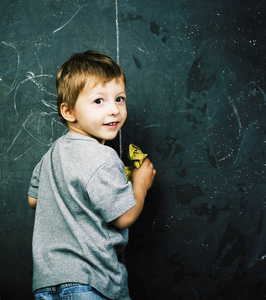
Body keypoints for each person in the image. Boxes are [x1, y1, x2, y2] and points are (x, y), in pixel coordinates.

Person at [28, 50, 156, 300]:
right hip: (91, 282)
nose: (114, 110)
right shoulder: (103, 157)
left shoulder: (52, 154)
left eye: (119, 99)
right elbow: (124, 217)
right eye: (99, 101)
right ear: (68, 112)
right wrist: (139, 184)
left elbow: (34, 200)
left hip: (46, 283)